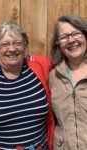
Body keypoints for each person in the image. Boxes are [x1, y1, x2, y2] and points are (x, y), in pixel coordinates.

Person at [0, 20, 55, 150]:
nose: (12, 49)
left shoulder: (41, 65)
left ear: (25, 46)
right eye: (5, 44)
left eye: (18, 43)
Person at [49, 15, 87, 149]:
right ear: (58, 43)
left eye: (76, 33)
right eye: (64, 37)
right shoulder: (53, 77)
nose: (71, 40)